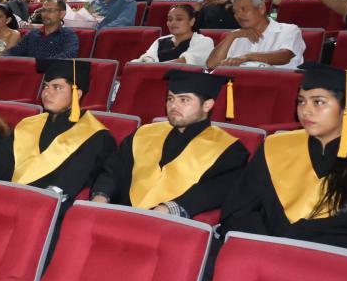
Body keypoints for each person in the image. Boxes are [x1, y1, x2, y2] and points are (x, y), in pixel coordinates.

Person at [220, 63, 347, 252]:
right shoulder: (275, 147)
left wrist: (290, 240)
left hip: (322, 265)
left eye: (318, 102)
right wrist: (262, 242)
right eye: (301, 101)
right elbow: (240, 206)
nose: (306, 110)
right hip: (255, 250)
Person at [0, 59, 117, 205]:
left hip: (48, 209)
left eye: (57, 87)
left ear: (77, 93)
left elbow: (77, 178)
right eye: (45, 86)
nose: (47, 92)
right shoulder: (29, 124)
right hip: (8, 198)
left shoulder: (95, 134)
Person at [91, 69, 249, 217]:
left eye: (184, 100)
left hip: (171, 227)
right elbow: (114, 170)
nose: (173, 106)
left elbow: (212, 192)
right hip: (118, 216)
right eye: (170, 98)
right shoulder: (145, 133)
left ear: (207, 105)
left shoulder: (228, 149)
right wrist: (101, 194)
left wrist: (169, 208)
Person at [205, 0, 306, 69]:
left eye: (244, 9)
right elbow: (211, 65)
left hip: (278, 88)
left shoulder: (289, 30)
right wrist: (231, 36)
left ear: (261, 8)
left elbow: (284, 57)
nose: (238, 15)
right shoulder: (236, 35)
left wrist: (247, 57)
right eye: (235, 12)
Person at [133, 4, 214, 66]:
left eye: (179, 19)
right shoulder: (160, 41)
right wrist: (148, 60)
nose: (173, 23)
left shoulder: (204, 41)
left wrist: (155, 67)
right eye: (170, 19)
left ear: (192, 21)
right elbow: (148, 57)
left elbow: (185, 62)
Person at [6, 0, 78, 59]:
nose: (45, 14)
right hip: (30, 72)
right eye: (43, 10)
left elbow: (69, 55)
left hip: (53, 72)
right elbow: (14, 52)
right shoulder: (32, 34)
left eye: (50, 10)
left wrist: (42, 64)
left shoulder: (68, 35)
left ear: (62, 14)